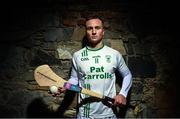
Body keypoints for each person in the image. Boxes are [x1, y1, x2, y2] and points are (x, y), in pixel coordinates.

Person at [53, 15, 132, 119]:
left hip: (108, 113)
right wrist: (65, 86)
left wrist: (123, 94)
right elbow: (75, 79)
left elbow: (127, 75)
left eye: (97, 28)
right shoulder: (78, 56)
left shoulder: (114, 54)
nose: (94, 32)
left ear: (103, 31)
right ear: (86, 32)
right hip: (85, 114)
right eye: (90, 28)